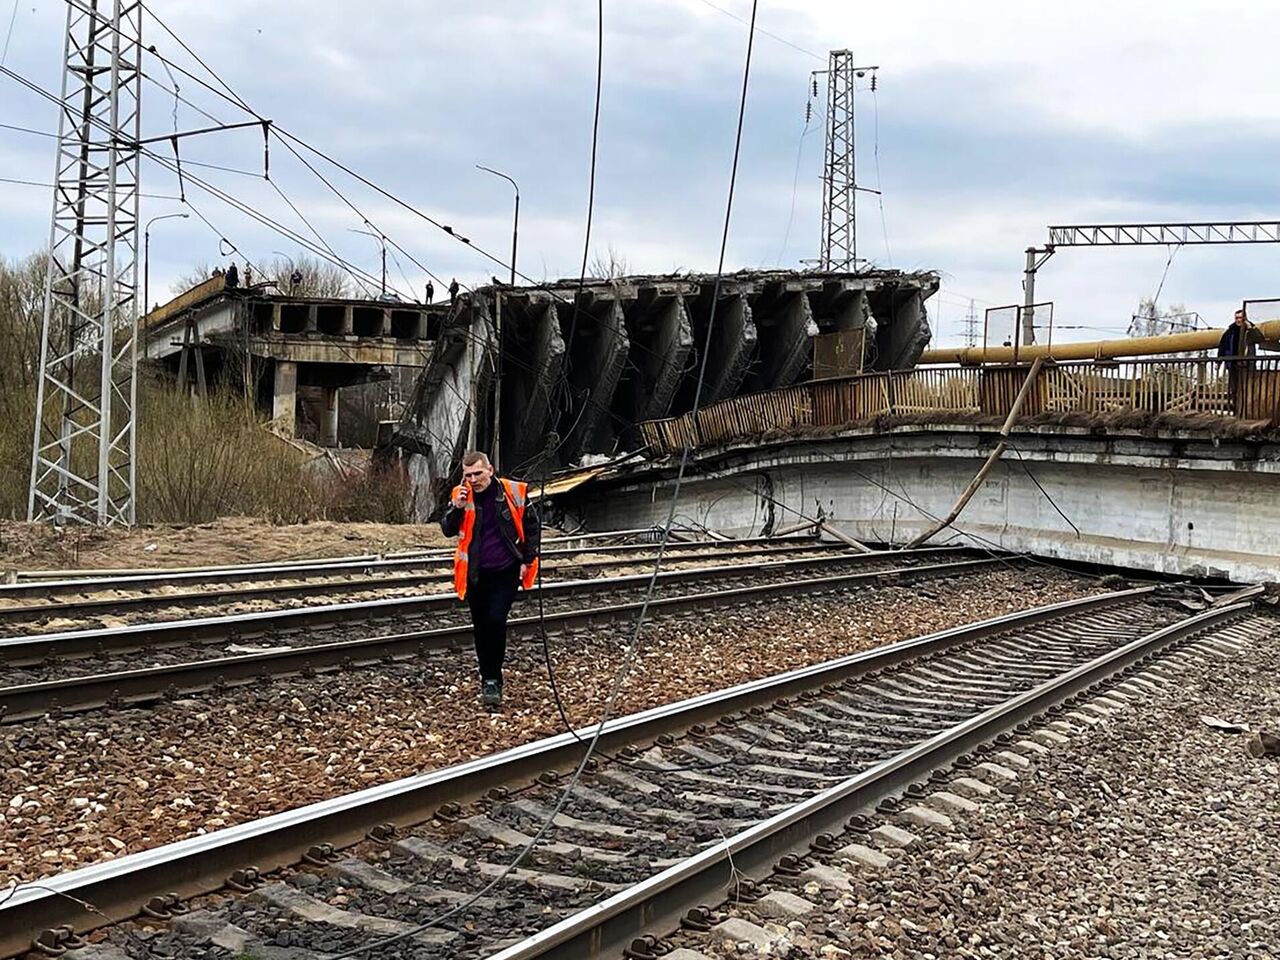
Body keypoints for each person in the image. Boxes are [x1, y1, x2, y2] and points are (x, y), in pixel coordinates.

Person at [439, 451, 541, 708]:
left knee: (496, 620)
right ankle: (487, 678)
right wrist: (457, 508)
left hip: (505, 571)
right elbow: (448, 529)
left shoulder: (512, 492)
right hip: (475, 574)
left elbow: (532, 526)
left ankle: (494, 680)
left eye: (478, 473)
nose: (473, 479)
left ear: (490, 470)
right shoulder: (460, 495)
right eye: (469, 475)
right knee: (482, 628)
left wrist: (527, 560)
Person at [1218, 307, 1260, 412]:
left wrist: (1250, 327)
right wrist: (1218, 362)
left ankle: (1247, 411)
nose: (1238, 320)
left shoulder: (1250, 330)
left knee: (1248, 388)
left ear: (1244, 318)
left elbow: (1259, 338)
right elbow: (1222, 346)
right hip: (1233, 364)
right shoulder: (1230, 332)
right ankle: (1236, 410)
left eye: (1240, 318)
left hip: (1248, 364)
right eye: (1236, 318)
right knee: (1234, 389)